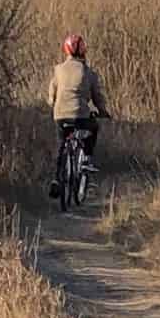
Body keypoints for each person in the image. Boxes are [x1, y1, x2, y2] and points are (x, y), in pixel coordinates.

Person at [48, 33, 110, 200]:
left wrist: (52, 105)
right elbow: (97, 97)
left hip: (60, 115)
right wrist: (103, 112)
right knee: (93, 128)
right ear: (83, 52)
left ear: (66, 51)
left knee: (61, 145)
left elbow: (51, 95)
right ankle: (87, 160)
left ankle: (56, 179)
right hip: (80, 116)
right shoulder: (89, 73)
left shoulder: (58, 70)